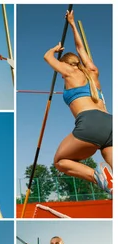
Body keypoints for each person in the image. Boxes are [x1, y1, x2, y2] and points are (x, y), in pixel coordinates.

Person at [44, 10, 113, 196]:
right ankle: (110, 181)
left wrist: (55, 50)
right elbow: (80, 48)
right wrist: (73, 24)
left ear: (66, 64)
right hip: (110, 123)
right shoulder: (92, 71)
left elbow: (47, 57)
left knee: (60, 161)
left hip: (90, 123)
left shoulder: (68, 72)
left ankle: (98, 176)